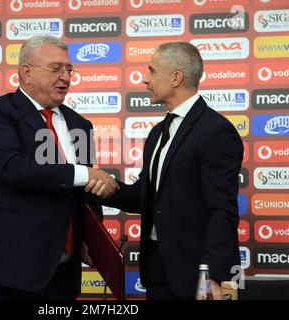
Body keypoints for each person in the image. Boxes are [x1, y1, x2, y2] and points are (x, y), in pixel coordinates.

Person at [0, 35, 118, 300]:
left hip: (63, 272)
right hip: (5, 269)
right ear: (26, 72)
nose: (65, 77)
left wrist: (92, 237)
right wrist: (84, 173)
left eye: (69, 69)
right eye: (56, 68)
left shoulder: (81, 125)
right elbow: (11, 168)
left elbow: (87, 192)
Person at [88, 42, 244, 300]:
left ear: (175, 77)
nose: (144, 79)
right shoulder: (158, 133)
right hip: (158, 268)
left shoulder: (216, 131)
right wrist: (106, 185)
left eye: (151, 71)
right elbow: (146, 196)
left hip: (195, 272)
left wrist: (212, 275)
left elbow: (222, 209)